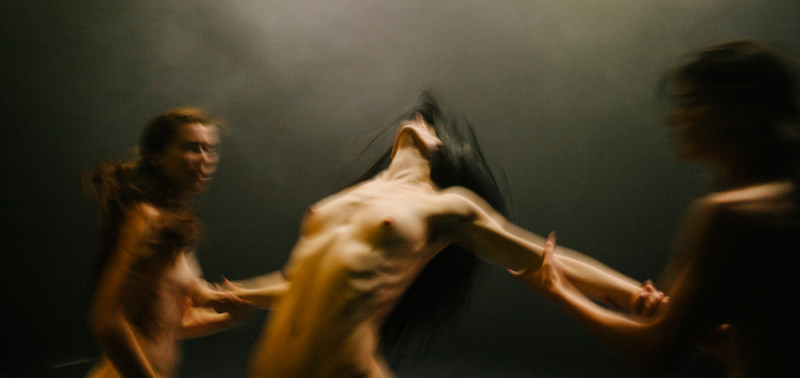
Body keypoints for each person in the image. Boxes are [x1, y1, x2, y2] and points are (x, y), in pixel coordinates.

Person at [232, 94, 655, 378]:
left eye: (429, 124)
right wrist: (229, 293)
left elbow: (545, 257)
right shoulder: (357, 194)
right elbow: (308, 283)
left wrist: (636, 296)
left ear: (441, 151)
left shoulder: (447, 207)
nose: (419, 119)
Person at [513, 40, 800, 377]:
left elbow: (653, 351)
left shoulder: (729, 215)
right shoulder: (782, 200)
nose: (674, 118)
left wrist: (559, 292)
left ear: (742, 113)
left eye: (693, 103)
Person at [82, 107, 253, 378]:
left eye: (211, 149)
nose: (205, 159)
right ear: (156, 158)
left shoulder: (172, 224)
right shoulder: (147, 219)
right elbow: (105, 320)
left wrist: (228, 319)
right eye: (192, 148)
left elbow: (170, 322)